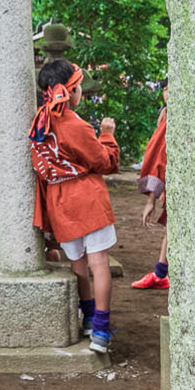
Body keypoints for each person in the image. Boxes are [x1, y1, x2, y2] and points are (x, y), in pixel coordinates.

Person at [29, 61, 121, 352]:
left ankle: (90, 319)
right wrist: (107, 134)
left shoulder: (39, 123)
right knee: (99, 263)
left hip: (59, 200)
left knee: (78, 263)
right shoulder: (75, 124)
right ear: (69, 91)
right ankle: (102, 333)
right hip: (86, 198)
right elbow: (105, 162)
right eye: (79, 86)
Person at [132, 105, 171, 289]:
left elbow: (159, 159)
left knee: (174, 226)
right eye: (164, 89)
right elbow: (159, 158)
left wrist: (152, 199)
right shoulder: (166, 115)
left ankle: (161, 272)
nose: (168, 93)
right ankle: (161, 272)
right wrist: (152, 197)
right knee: (173, 226)